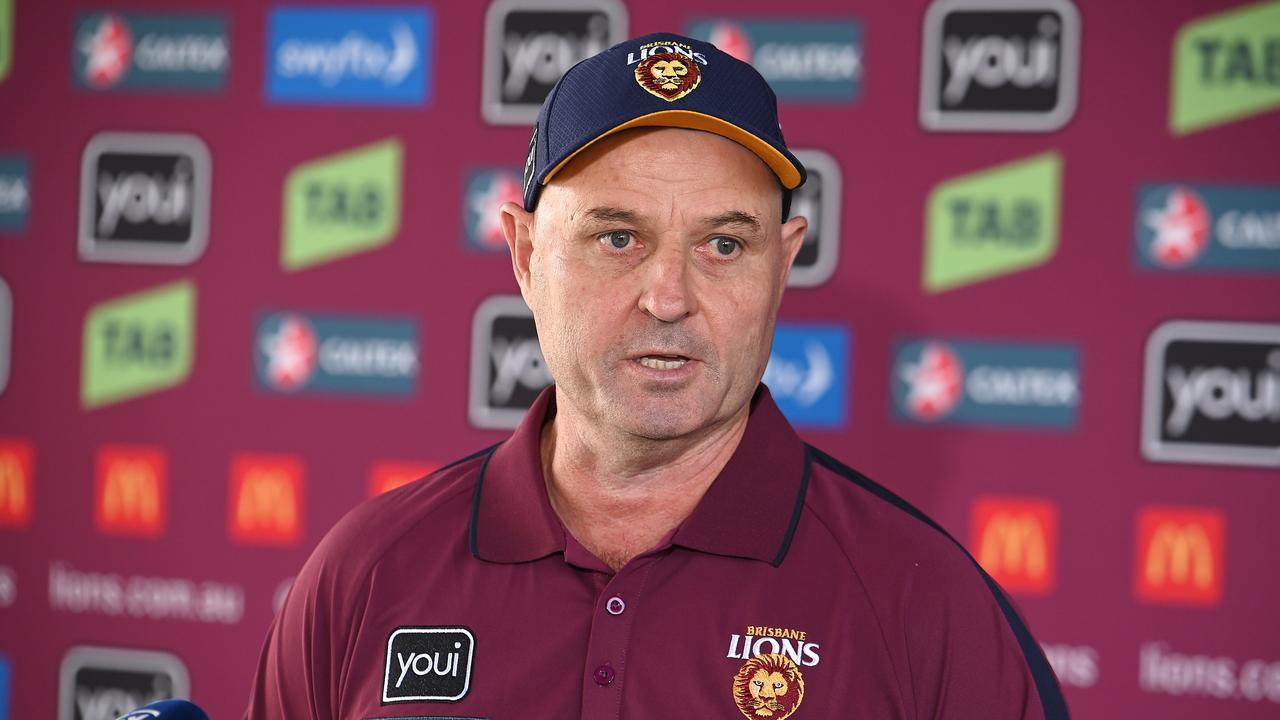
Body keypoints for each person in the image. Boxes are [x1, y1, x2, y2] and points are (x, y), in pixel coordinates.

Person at [245, 32, 1069, 720]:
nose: (670, 298)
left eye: (724, 244)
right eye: (617, 238)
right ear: (527, 256)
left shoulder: (926, 602)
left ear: (782, 267)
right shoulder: (366, 572)